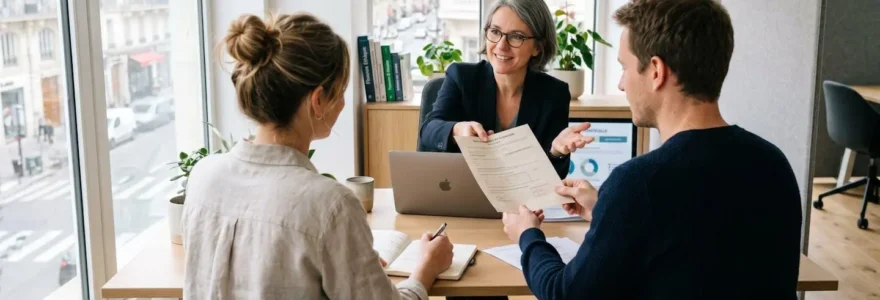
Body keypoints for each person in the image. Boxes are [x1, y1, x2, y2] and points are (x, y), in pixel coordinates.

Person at [501, 0, 803, 299]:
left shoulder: (639, 184)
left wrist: (528, 236)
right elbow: (702, 249)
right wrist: (607, 213)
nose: (621, 84)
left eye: (624, 67)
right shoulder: (773, 164)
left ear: (656, 71)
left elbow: (565, 294)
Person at [181, 13, 454, 299]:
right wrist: (426, 267)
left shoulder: (203, 175)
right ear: (318, 100)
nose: (343, 103)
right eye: (341, 91)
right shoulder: (331, 206)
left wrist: (355, 267)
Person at [419, 0, 593, 179]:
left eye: (516, 36)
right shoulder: (462, 77)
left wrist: (556, 151)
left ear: (537, 47)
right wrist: (457, 130)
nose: (501, 45)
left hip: (521, 204)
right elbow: (429, 129)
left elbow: (555, 176)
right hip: (462, 196)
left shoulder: (554, 93)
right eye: (495, 32)